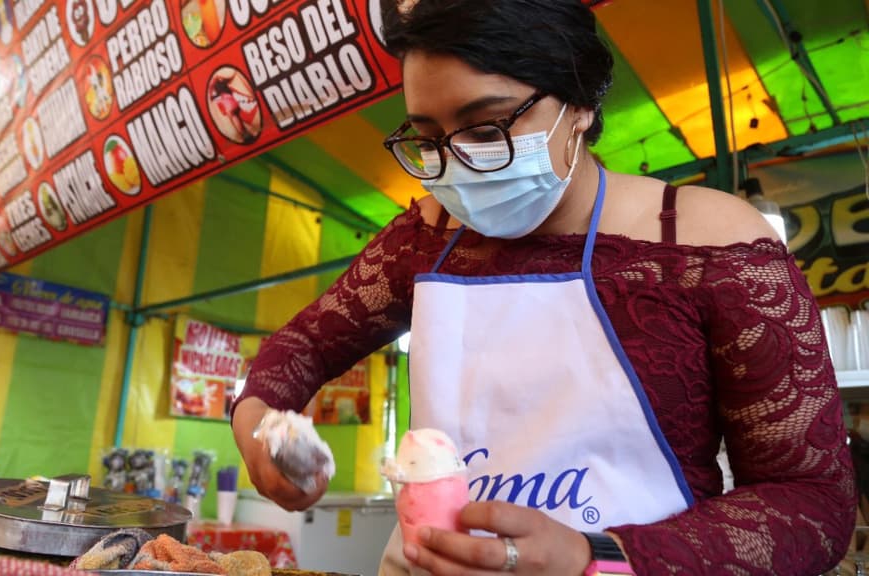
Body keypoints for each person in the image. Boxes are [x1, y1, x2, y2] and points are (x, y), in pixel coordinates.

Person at [230, 1, 855, 574]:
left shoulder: (707, 244)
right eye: (427, 139)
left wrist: (597, 557)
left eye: (489, 127)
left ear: (580, 105)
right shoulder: (425, 237)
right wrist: (261, 429)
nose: (457, 164)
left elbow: (812, 503)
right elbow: (301, 349)